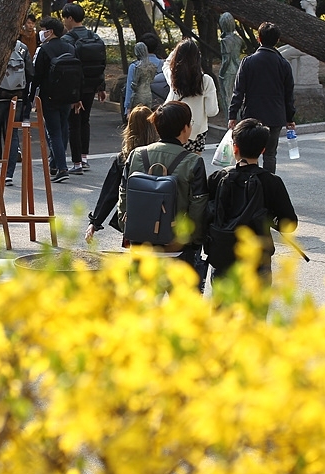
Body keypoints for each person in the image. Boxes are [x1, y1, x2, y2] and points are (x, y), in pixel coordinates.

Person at [117, 101, 209, 288]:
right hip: (176, 248)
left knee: (142, 309)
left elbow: (124, 193)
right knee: (180, 312)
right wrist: (192, 241)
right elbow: (198, 206)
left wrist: (127, 227)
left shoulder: (136, 155)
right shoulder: (193, 162)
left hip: (140, 244)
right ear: (185, 128)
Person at [206, 118, 298, 283]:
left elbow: (205, 212)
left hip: (223, 256)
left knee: (223, 308)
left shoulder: (218, 178)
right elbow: (289, 223)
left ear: (235, 147)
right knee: (255, 307)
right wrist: (268, 218)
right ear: (263, 150)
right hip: (258, 259)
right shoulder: (271, 182)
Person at [228, 22, 296, 174]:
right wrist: (289, 117)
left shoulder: (248, 62)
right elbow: (289, 94)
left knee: (250, 152)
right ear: (277, 40)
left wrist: (233, 114)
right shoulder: (283, 64)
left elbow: (238, 91)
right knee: (270, 154)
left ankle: (250, 182)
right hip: (275, 115)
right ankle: (268, 184)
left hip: (252, 115)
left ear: (259, 38)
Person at [85, 105, 158, 242]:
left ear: (130, 128)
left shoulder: (124, 158)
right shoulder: (162, 154)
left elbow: (110, 193)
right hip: (161, 215)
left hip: (133, 218)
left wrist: (95, 222)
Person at [29, 17, 76, 184]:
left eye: (43, 29)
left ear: (50, 31)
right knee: (63, 129)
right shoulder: (70, 47)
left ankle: (62, 168)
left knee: (53, 131)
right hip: (67, 96)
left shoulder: (44, 50)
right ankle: (56, 163)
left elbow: (37, 76)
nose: (41, 32)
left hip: (49, 97)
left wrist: (31, 97)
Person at [61, 3, 106, 175]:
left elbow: (69, 68)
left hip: (76, 88)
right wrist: (101, 87)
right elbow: (102, 63)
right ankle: (84, 157)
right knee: (85, 121)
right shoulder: (94, 37)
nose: (64, 21)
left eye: (65, 17)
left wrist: (72, 94)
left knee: (74, 124)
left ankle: (76, 162)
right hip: (92, 86)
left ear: (70, 18)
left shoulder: (68, 40)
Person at [0, 39, 33, 187]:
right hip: (16, 96)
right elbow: (30, 73)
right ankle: (8, 175)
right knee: (12, 135)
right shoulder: (22, 48)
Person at [162, 38, 219, 155]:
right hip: (197, 130)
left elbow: (166, 64)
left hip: (174, 126)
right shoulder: (206, 81)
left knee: (173, 162)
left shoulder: (174, 78)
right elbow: (211, 111)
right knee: (193, 166)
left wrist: (178, 50)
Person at [123, 32, 163, 121]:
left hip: (139, 104)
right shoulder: (163, 65)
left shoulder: (135, 66)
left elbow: (130, 88)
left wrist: (127, 109)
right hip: (160, 105)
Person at [218, 13, 243, 121]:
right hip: (238, 68)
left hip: (229, 71)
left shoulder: (225, 41)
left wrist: (221, 74)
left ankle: (231, 123)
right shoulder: (238, 39)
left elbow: (226, 60)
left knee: (228, 98)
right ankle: (239, 120)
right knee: (238, 97)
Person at [125, 43, 156, 116]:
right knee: (148, 116)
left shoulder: (138, 67)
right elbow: (151, 80)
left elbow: (134, 85)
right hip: (148, 94)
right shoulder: (152, 66)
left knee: (136, 117)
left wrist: (127, 106)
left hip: (138, 94)